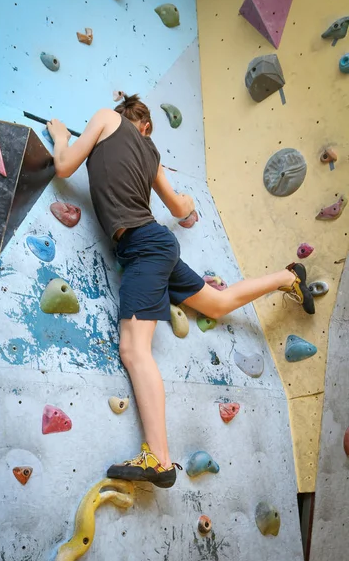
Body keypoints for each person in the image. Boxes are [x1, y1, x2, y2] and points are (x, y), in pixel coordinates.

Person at [47, 94, 315, 489]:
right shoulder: (152, 156)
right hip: (156, 243)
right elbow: (178, 207)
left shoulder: (105, 117)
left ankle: (159, 459)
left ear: (126, 118)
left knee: (134, 349)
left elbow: (65, 165)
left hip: (142, 247)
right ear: (147, 126)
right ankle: (286, 277)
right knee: (218, 304)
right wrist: (187, 200)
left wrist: (58, 135)